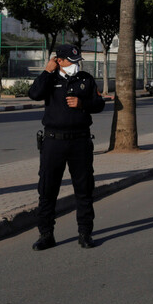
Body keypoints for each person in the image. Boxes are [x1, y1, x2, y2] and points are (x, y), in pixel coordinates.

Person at [28, 44, 106, 250]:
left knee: (84, 189)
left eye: (77, 61)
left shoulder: (85, 79)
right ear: (58, 61)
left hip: (80, 142)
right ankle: (46, 234)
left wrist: (83, 105)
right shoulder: (50, 79)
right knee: (47, 189)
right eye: (70, 62)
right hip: (53, 142)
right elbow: (34, 94)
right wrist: (46, 71)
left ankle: (85, 233)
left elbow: (99, 104)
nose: (75, 65)